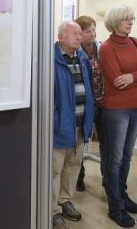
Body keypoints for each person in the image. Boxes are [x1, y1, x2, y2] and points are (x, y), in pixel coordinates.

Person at [98, 5, 137, 228]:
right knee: (115, 158)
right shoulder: (107, 48)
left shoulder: (135, 43)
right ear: (114, 21)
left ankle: (122, 195)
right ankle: (115, 206)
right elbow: (115, 80)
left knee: (127, 156)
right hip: (116, 109)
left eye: (132, 18)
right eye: (126, 19)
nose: (131, 22)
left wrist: (132, 77)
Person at [52, 21, 96, 229]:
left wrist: (90, 118)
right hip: (60, 127)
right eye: (75, 34)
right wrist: (56, 122)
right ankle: (52, 211)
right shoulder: (51, 58)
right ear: (61, 37)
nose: (79, 37)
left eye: (81, 33)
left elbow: (89, 90)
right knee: (54, 170)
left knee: (73, 166)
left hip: (80, 124)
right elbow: (47, 97)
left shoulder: (82, 57)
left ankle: (65, 201)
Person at [74, 15, 104, 192]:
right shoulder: (75, 51)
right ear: (80, 33)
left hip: (103, 101)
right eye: (88, 31)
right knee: (78, 143)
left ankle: (107, 178)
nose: (92, 34)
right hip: (84, 103)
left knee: (105, 142)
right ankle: (79, 176)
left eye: (94, 30)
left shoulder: (101, 48)